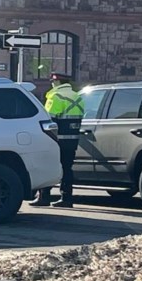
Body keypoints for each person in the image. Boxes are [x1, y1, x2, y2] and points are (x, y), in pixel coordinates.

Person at [30, 73, 84, 208]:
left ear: (57, 82)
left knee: (47, 166)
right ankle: (66, 198)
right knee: (67, 168)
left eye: (52, 81)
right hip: (72, 140)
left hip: (55, 139)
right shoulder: (76, 96)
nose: (52, 84)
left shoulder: (55, 96)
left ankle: (44, 197)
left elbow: (48, 119)